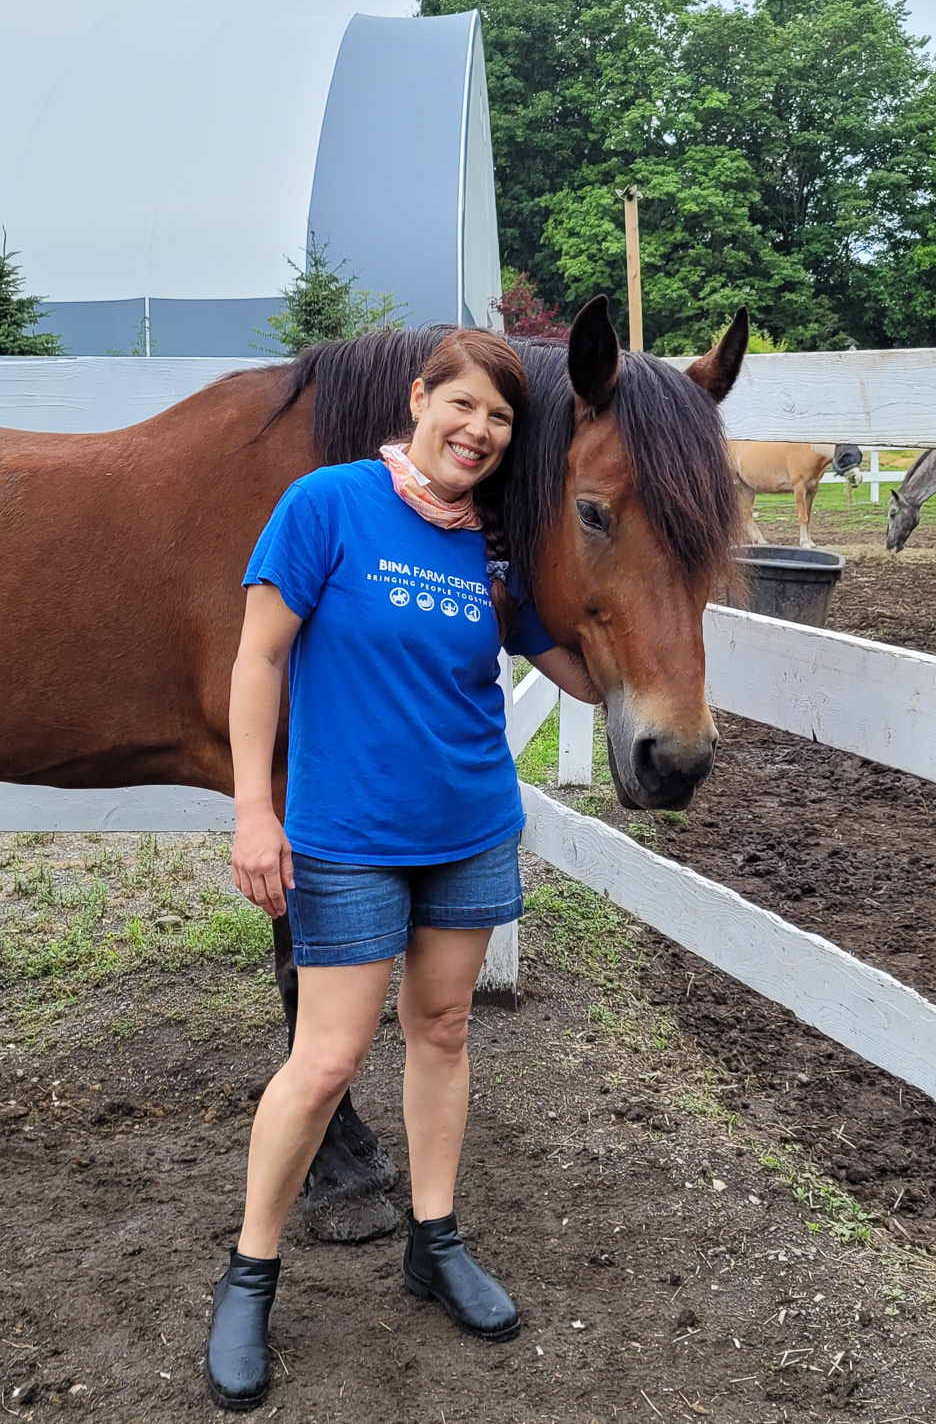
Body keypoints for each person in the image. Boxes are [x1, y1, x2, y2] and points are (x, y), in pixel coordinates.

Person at [205, 329, 598, 1411]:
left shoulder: (495, 549)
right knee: (325, 1058)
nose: (477, 431)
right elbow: (259, 657)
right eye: (461, 405)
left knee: (442, 1029)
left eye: (501, 419)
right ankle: (251, 1274)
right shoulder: (328, 505)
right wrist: (252, 809)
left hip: (470, 827)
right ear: (419, 399)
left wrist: (636, 610)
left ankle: (434, 1241)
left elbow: (576, 668)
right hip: (346, 835)